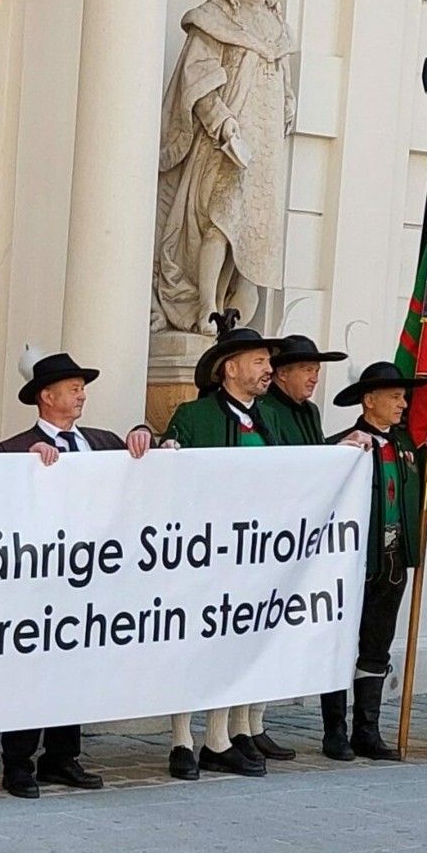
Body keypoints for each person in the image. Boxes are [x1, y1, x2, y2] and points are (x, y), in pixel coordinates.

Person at [0, 350, 158, 798]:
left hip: (91, 577)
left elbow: (147, 460)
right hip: (37, 582)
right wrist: (24, 466)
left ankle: (62, 757)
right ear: (47, 397)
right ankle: (18, 762)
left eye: (82, 386)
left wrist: (146, 435)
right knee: (30, 669)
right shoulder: (12, 449)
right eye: (72, 387)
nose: (82, 393)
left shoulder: (103, 442)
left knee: (74, 666)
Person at [159, 312, 281, 779]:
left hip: (256, 551)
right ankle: (180, 739)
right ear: (230, 368)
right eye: (259, 361)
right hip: (203, 552)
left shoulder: (270, 418)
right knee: (193, 642)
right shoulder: (195, 416)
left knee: (238, 642)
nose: (268, 369)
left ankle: (219, 736)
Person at [325, 362, 427, 762]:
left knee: (377, 646)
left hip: (394, 561)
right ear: (369, 400)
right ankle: (335, 730)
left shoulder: (408, 445)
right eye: (394, 397)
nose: (402, 404)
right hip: (354, 562)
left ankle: (367, 730)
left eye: (403, 397)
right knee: (341, 645)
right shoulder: (342, 443)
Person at [239, 333, 347, 759]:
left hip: (295, 537)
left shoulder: (310, 412)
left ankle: (256, 720)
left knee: (273, 631)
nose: (314, 377)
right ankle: (242, 724)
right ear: (282, 375)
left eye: (317, 370)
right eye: (307, 369)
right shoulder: (267, 411)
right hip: (266, 533)